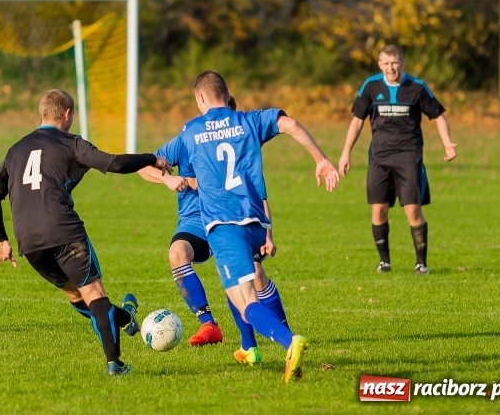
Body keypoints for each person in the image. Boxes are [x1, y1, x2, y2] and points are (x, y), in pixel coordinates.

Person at [0, 89, 172, 376]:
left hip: (29, 242)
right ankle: (114, 363)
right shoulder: (71, 143)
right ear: (68, 114)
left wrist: (1, 239)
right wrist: (152, 158)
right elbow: (114, 163)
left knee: (77, 297)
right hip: (63, 230)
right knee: (94, 294)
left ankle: (125, 319)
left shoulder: (16, 149)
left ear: (43, 114)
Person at [174, 70, 339, 383]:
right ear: (226, 93)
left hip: (224, 226)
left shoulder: (192, 131)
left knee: (245, 300)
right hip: (256, 221)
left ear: (200, 98)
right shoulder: (248, 120)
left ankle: (290, 342)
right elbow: (290, 123)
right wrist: (320, 159)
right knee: (237, 286)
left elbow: (165, 161)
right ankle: (251, 347)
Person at [138, 96, 291, 367]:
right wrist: (168, 178)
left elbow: (258, 192)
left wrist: (268, 233)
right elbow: (144, 165)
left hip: (234, 217)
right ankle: (209, 324)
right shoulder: (188, 139)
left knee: (254, 276)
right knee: (177, 253)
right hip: (196, 219)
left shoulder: (239, 142)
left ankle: (280, 330)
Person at [338, 44, 457, 275]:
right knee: (378, 210)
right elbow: (357, 121)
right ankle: (384, 262)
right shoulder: (370, 86)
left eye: (394, 63)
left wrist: (447, 143)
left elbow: (439, 116)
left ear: (401, 62)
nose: (391, 68)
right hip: (379, 157)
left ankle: (421, 263)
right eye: (386, 63)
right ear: (379, 65)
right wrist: (345, 153)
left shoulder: (417, 87)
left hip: (408, 156)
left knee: (412, 210)